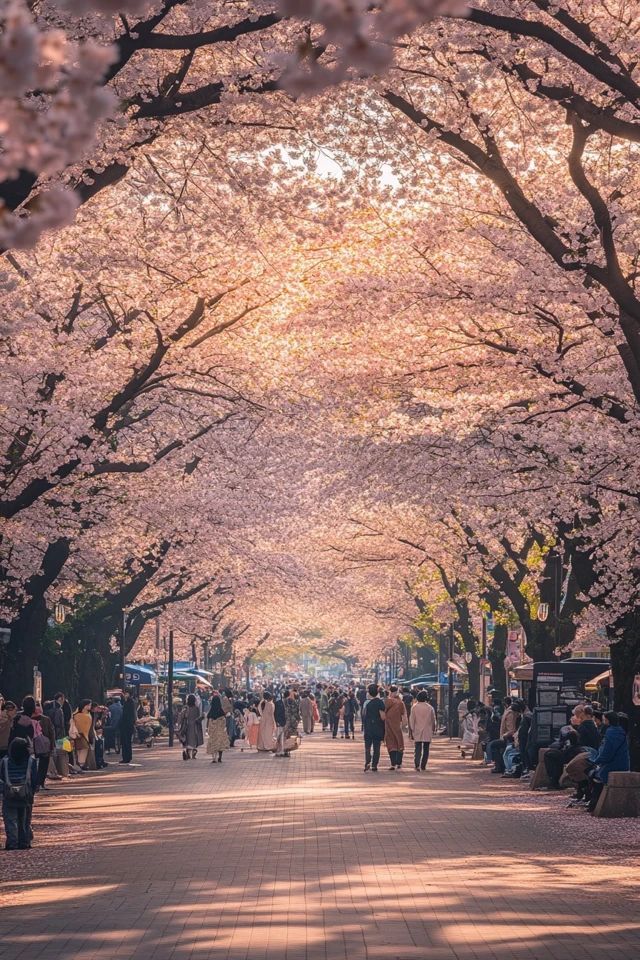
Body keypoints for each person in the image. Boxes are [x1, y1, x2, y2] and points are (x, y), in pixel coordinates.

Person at [587, 711, 631, 813]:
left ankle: (594, 804)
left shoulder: (612, 732)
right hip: (618, 762)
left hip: (613, 764)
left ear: (608, 720)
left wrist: (597, 761)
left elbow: (607, 751)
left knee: (596, 775)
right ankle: (593, 803)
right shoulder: (618, 731)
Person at [1, 737, 38, 850]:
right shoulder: (31, 761)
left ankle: (12, 842)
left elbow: (1, 776)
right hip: (25, 794)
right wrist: (33, 791)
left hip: (9, 794)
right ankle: (24, 842)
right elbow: (34, 778)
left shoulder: (5, 761)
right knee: (24, 820)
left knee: (11, 820)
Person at [409, 690, 437, 771]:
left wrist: (412, 730)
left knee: (417, 748)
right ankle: (423, 765)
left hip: (417, 730)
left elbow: (412, 720)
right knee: (426, 749)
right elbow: (433, 719)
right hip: (427, 730)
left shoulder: (414, 707)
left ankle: (417, 764)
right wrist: (434, 728)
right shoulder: (430, 707)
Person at [362, 683, 385, 772]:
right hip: (377, 727)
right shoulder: (380, 702)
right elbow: (383, 717)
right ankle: (374, 765)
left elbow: (363, 715)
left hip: (368, 727)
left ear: (369, 693)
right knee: (376, 747)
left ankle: (367, 761)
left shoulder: (366, 703)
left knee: (367, 747)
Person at [384, 685, 407, 770]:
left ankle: (393, 764)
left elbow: (384, 712)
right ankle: (399, 763)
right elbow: (403, 713)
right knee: (399, 743)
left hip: (388, 725)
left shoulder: (387, 701)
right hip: (397, 726)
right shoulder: (400, 702)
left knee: (391, 744)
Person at [33, 703, 55, 788]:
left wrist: (52, 745)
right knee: (38, 765)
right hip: (36, 746)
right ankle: (37, 783)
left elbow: (51, 732)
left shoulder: (46, 719)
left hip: (43, 746)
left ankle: (40, 782)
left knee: (43, 765)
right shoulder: (26, 719)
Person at [179, 693, 204, 760]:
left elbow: (182, 717)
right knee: (194, 740)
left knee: (187, 739)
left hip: (187, 726)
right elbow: (199, 717)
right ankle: (194, 752)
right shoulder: (196, 708)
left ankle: (188, 752)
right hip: (195, 726)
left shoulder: (185, 708)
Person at [206, 695, 230, 763]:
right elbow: (224, 721)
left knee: (213, 743)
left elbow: (208, 722)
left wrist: (207, 729)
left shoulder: (211, 712)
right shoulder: (221, 711)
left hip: (213, 732)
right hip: (220, 732)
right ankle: (220, 757)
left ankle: (214, 758)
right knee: (220, 744)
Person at [119, 690, 136, 765]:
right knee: (127, 742)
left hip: (126, 725)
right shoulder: (130, 702)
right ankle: (127, 757)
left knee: (126, 742)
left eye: (126, 693)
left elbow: (126, 714)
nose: (124, 695)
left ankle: (126, 757)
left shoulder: (129, 702)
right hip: (128, 725)